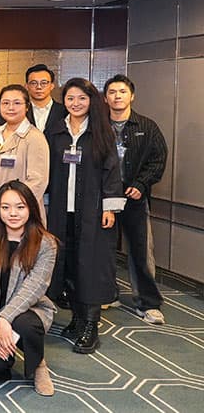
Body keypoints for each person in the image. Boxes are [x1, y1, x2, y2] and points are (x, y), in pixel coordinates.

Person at [46, 78, 125, 354]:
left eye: (81, 98)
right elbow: (49, 172)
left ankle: (91, 325)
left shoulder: (102, 132)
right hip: (59, 210)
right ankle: (77, 319)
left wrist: (110, 207)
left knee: (90, 266)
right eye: (70, 98)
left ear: (91, 100)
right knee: (66, 264)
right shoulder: (56, 132)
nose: (75, 103)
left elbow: (112, 172)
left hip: (93, 213)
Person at [0, 180, 57, 396]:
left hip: (28, 311)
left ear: (31, 209)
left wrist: (5, 318)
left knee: (27, 325)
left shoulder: (45, 243)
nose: (13, 213)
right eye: (5, 207)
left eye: (20, 207)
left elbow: (34, 287)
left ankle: (38, 365)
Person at [104, 75, 168, 324]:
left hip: (135, 199)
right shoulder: (98, 126)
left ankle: (148, 303)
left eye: (122, 91)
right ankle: (107, 294)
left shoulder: (147, 126)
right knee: (103, 250)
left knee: (141, 252)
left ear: (132, 96)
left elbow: (158, 159)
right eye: (112, 92)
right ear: (105, 97)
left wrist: (141, 184)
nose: (117, 96)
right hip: (105, 199)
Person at [0, 85, 50, 225]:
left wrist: (14, 207)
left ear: (27, 107)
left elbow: (37, 182)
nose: (11, 107)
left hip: (20, 211)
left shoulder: (34, 137)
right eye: (5, 103)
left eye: (17, 103)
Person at [25, 64, 66, 137]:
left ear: (52, 86)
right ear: (26, 86)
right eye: (34, 83)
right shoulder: (21, 111)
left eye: (44, 83)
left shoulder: (64, 111)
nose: (39, 87)